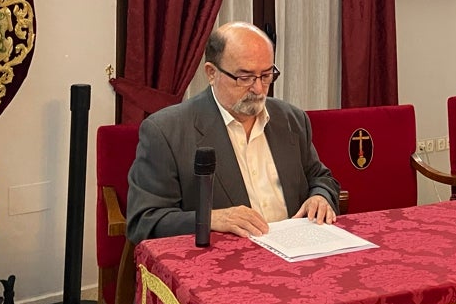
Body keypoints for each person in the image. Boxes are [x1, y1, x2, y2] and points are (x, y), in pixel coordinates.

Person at [126, 22, 340, 243]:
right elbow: (144, 221)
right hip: (223, 264)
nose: (258, 89)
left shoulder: (292, 119)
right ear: (211, 73)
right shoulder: (166, 131)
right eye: (245, 78)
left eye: (266, 75)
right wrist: (210, 219)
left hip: (298, 251)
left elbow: (320, 177)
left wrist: (320, 197)